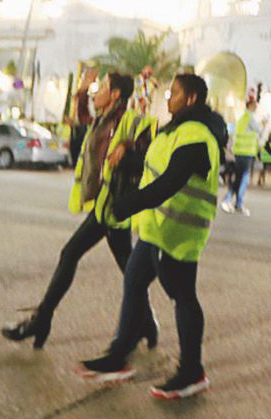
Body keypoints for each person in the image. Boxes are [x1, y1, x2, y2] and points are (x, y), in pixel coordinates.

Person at [76, 73, 226, 401]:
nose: (168, 97)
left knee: (183, 297)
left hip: (178, 233)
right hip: (156, 229)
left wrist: (127, 205)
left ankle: (192, 372)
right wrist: (128, 158)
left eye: (175, 93)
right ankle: (118, 356)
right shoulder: (174, 129)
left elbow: (170, 181)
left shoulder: (197, 135)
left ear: (191, 99)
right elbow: (153, 162)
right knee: (133, 281)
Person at [1, 73, 156, 349]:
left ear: (116, 94)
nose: (98, 92)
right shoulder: (103, 120)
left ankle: (41, 319)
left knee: (70, 253)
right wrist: (82, 92)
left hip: (113, 205)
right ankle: (147, 324)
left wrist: (127, 147)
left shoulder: (127, 121)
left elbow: (147, 154)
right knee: (128, 269)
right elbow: (83, 119)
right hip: (105, 205)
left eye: (103, 87)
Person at [222, 97, 262, 215]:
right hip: (246, 152)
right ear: (249, 106)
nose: (256, 107)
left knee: (240, 178)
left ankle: (235, 201)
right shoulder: (250, 118)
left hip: (239, 152)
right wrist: (263, 124)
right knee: (243, 179)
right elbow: (258, 130)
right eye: (254, 105)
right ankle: (231, 200)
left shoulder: (241, 118)